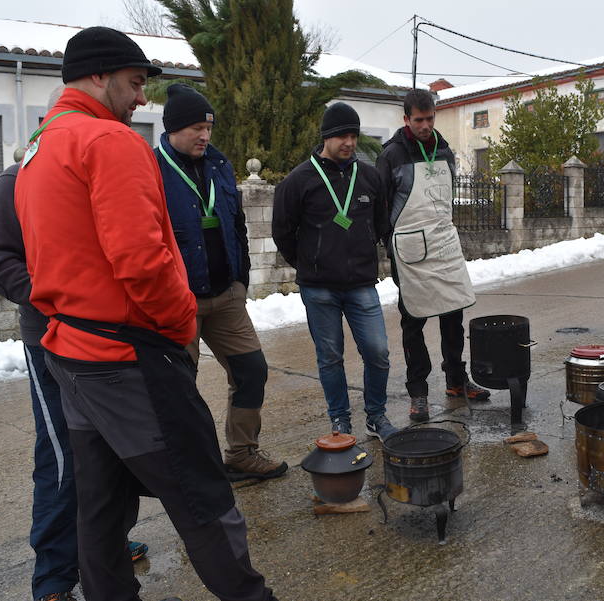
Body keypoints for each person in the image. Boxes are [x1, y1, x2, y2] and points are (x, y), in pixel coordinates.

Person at [14, 26, 275, 601]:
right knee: (203, 496)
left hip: (71, 353)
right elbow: (141, 258)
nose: (141, 99)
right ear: (99, 75)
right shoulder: (107, 142)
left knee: (102, 507)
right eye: (134, 84)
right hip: (126, 353)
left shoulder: (40, 144)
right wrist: (182, 319)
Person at [0, 88, 147, 601]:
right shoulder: (16, 178)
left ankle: (105, 547)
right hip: (50, 343)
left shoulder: (88, 170)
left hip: (106, 341)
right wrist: (56, 302)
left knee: (110, 453)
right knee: (61, 457)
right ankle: (53, 580)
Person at [156, 84, 287, 483]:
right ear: (173, 128)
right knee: (181, 391)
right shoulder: (150, 169)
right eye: (196, 127)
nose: (205, 135)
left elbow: (236, 223)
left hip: (226, 296)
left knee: (252, 371)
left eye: (209, 127)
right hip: (180, 301)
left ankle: (242, 454)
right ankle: (190, 468)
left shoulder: (218, 165)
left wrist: (241, 280)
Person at [272, 102, 397, 441]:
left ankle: (376, 415)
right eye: (343, 135)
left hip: (361, 284)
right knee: (330, 357)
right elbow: (282, 231)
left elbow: (382, 224)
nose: (350, 142)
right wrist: (308, 263)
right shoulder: (299, 180)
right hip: (319, 288)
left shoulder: (369, 177)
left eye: (354, 135)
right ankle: (340, 419)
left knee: (378, 351)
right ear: (327, 136)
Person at [376, 89, 490, 423]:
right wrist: (390, 245)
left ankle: (456, 380)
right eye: (419, 120)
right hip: (409, 251)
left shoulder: (443, 149)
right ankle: (418, 393)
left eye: (430, 119)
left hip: (443, 243)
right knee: (414, 320)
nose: (425, 125)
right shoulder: (392, 155)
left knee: (453, 313)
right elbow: (382, 208)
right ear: (406, 119)